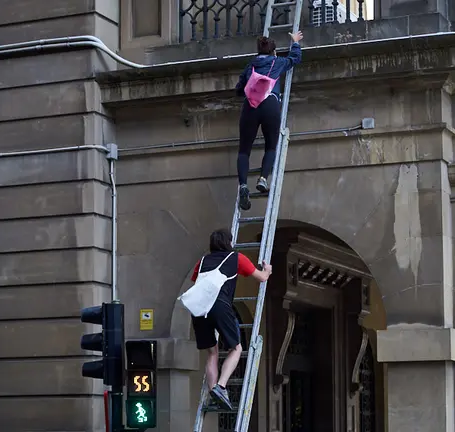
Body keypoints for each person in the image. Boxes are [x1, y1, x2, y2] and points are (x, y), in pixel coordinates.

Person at [190, 229, 273, 410]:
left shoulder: (202, 261)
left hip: (199, 308)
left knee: (212, 353)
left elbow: (195, 280)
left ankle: (213, 393)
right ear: (228, 242)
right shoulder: (236, 258)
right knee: (236, 348)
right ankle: (220, 387)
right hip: (220, 306)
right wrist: (267, 270)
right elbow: (262, 278)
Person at [234, 31, 303, 211]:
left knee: (244, 150)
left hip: (251, 106)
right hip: (270, 104)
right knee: (271, 146)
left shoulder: (251, 65)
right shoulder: (277, 62)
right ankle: (263, 179)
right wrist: (295, 42)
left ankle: (243, 186)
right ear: (273, 52)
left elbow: (239, 89)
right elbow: (295, 58)